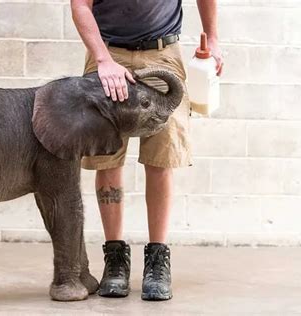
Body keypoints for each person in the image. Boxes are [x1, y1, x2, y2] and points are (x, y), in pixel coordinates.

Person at [71, 0, 223, 301]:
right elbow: (80, 5)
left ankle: (158, 260)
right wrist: (102, 58)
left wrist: (213, 37)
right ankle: (115, 259)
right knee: (107, 160)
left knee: (161, 159)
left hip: (162, 54)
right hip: (108, 55)